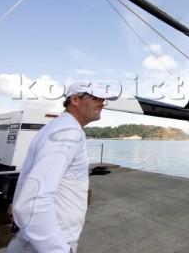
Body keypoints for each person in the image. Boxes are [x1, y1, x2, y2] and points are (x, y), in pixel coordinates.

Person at [7, 80, 119, 253]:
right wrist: (58, 248)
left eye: (103, 100)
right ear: (74, 99)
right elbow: (32, 202)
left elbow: (30, 174)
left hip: (37, 237)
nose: (102, 103)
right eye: (96, 98)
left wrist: (16, 200)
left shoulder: (57, 127)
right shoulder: (68, 133)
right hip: (52, 239)